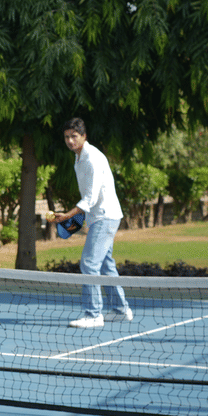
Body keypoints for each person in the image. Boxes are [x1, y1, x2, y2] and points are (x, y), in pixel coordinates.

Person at [50, 117, 132, 328]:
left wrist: (68, 216)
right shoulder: (79, 158)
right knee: (105, 264)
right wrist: (83, 218)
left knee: (89, 263)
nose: (69, 141)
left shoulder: (92, 158)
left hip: (105, 216)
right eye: (66, 137)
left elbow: (91, 198)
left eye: (74, 137)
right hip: (100, 216)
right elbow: (90, 198)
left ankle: (93, 314)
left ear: (84, 136)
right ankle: (121, 310)